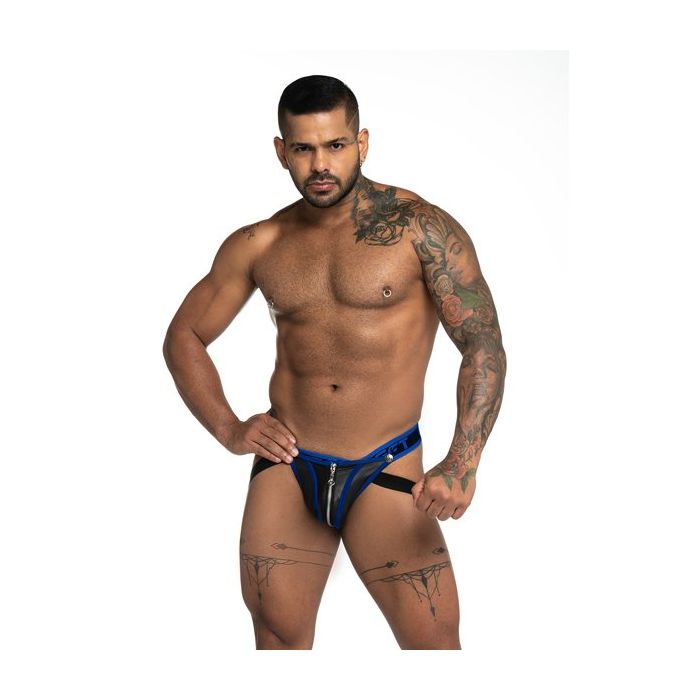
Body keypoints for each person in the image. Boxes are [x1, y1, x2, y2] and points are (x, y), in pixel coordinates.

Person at [162, 75, 507, 650]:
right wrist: (228, 427)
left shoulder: (421, 229)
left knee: (434, 648)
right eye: (303, 148)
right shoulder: (260, 242)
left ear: (362, 142)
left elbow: (482, 344)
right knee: (277, 641)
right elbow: (185, 335)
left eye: (336, 145)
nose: (320, 164)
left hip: (386, 464)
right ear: (282, 151)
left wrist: (463, 461)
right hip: (287, 466)